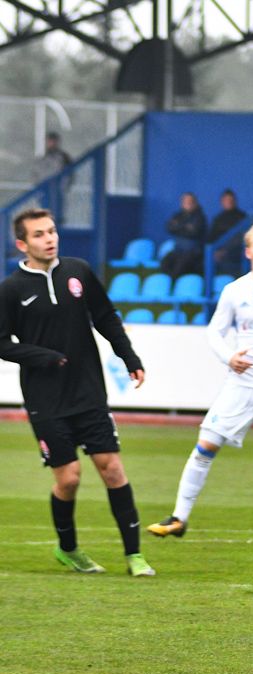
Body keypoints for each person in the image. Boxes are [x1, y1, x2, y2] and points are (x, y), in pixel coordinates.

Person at [147, 220, 253, 548]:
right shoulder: (234, 290)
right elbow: (214, 331)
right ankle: (178, 518)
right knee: (205, 447)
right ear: (248, 252)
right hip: (240, 383)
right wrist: (229, 357)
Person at [0, 208, 154, 577]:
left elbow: (105, 317)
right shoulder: (11, 290)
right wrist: (44, 357)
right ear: (22, 243)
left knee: (112, 469)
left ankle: (135, 556)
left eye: (52, 231)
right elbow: (2, 343)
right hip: (45, 399)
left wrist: (129, 356)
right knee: (68, 478)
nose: (49, 238)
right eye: (39, 234)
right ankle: (68, 549)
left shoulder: (78, 271)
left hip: (88, 391)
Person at [160, 192, 207, 278]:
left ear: (195, 203)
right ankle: (167, 285)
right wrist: (186, 226)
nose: (188, 203)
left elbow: (194, 232)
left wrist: (178, 226)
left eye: (190, 201)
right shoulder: (178, 215)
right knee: (164, 262)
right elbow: (169, 228)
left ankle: (175, 285)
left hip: (193, 252)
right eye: (185, 201)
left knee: (179, 267)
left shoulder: (200, 217)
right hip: (178, 250)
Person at [208, 189, 248, 275]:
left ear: (235, 201)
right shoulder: (217, 219)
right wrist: (215, 252)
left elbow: (241, 238)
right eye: (226, 200)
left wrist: (225, 251)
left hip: (236, 254)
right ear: (222, 202)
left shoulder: (242, 218)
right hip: (219, 254)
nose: (229, 202)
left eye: (231, 200)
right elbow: (211, 238)